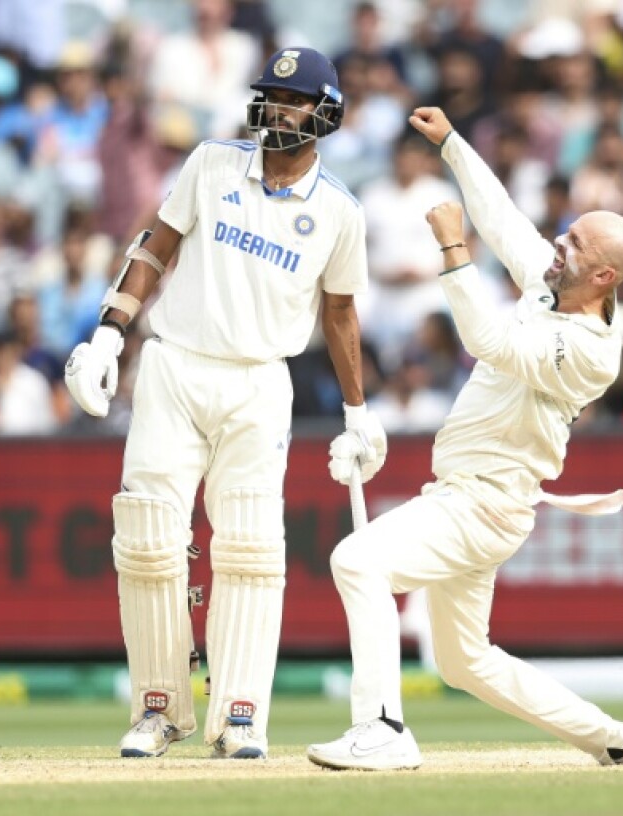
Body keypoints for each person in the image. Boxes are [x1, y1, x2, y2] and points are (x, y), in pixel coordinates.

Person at [306, 106, 623, 771]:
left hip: (484, 503)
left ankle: (382, 728)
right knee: (464, 661)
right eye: (569, 231)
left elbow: (489, 343)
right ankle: (615, 738)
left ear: (604, 277)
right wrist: (453, 146)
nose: (561, 241)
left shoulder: (589, 349)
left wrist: (451, 251)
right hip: (476, 498)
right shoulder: (556, 286)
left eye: (577, 243)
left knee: (357, 562)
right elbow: (503, 219)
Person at [63, 47, 386, 759]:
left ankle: (240, 713)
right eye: (269, 96)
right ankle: (159, 707)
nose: (276, 110)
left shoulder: (338, 211)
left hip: (259, 382)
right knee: (147, 538)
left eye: (292, 99)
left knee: (250, 549)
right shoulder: (211, 163)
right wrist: (109, 337)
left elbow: (340, 315)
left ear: (324, 113)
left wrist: (359, 415)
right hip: (174, 365)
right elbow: (154, 248)